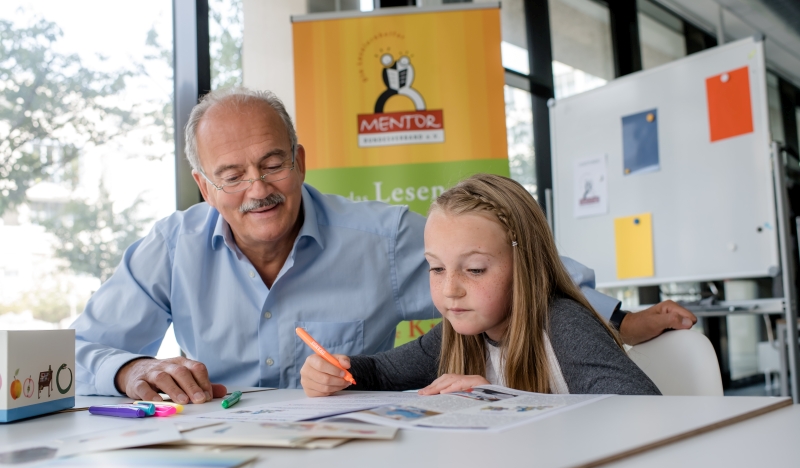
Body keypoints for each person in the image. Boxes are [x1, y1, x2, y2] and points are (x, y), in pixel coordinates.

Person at [73, 87, 690, 403]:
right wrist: (133, 369)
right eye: (232, 176)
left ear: (301, 160)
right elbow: (80, 352)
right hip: (220, 458)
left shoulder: (383, 237)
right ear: (205, 186)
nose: (257, 189)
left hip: (355, 465)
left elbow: (513, 262)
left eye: (273, 164)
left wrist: (614, 317)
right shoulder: (169, 247)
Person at [300, 174, 661, 397]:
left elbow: (637, 411)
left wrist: (501, 401)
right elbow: (378, 372)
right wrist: (335, 371)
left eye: (474, 270)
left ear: (524, 264)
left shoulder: (563, 324)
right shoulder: (456, 334)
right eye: (436, 268)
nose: (450, 289)